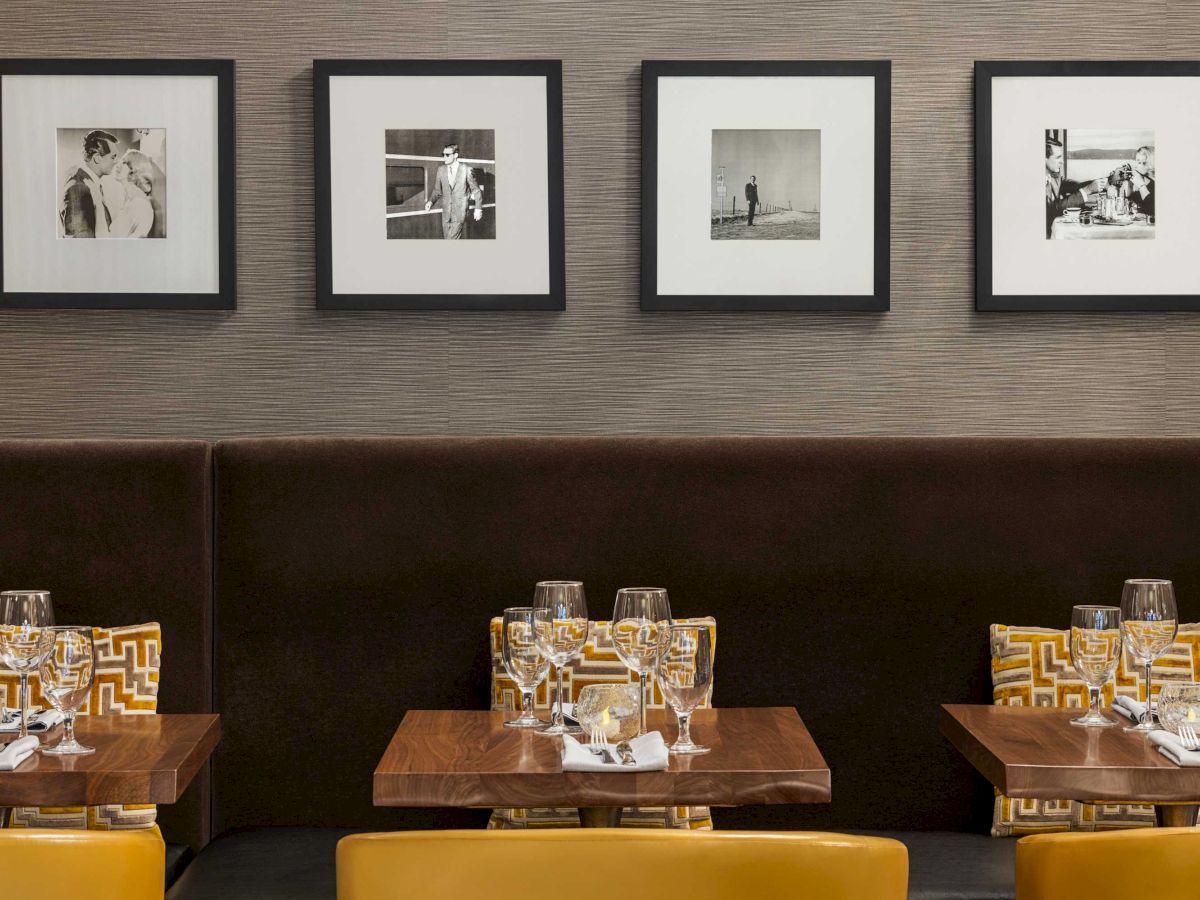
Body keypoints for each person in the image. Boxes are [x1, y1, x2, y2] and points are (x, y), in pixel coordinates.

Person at [60, 130, 119, 238]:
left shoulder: (90, 183)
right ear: (97, 158)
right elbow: (79, 242)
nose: (116, 162)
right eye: (113, 157)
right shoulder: (79, 188)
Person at [1045, 138, 1108, 238]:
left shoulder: (1054, 175)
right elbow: (1052, 210)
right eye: (1058, 157)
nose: (1062, 162)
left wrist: (1101, 182)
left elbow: (1073, 187)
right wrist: (1088, 190)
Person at [424, 143, 483, 239]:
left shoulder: (466, 170)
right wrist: (431, 201)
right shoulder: (441, 170)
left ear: (456, 155)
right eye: (443, 155)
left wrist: (478, 209)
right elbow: (437, 190)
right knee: (448, 238)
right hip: (446, 213)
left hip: (460, 212)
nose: (444, 157)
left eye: (447, 155)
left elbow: (476, 191)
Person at [106, 150, 158, 238]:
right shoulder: (131, 200)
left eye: (124, 162)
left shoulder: (139, 204)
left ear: (134, 170)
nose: (117, 165)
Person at [1121, 145, 1155, 218]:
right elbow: (1129, 201)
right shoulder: (1143, 179)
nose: (1138, 166)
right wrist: (1129, 183)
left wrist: (1141, 185)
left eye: (1143, 163)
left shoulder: (1154, 184)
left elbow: (1151, 209)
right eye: (1138, 162)